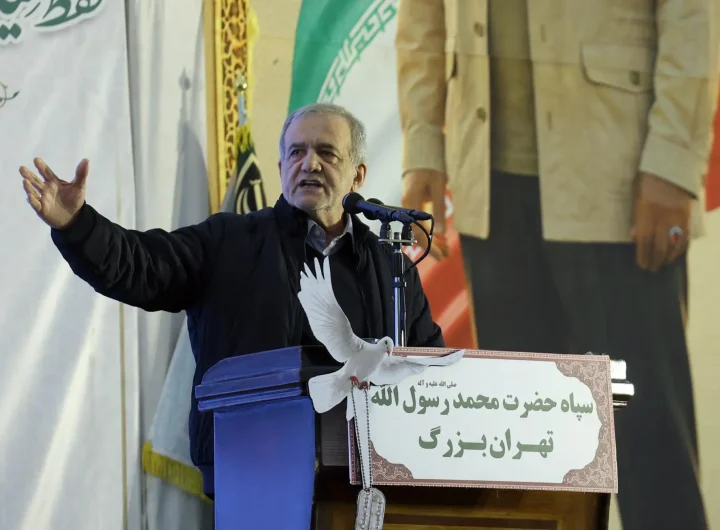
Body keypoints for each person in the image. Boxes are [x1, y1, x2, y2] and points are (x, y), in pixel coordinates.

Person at [396, 1, 718, 529]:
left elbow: (689, 13)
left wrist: (673, 162)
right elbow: (421, 15)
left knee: (650, 452)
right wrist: (423, 142)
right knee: (526, 463)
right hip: (491, 194)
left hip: (617, 184)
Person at [19, 102, 444, 495]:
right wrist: (78, 225)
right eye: (296, 153)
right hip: (250, 468)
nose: (309, 164)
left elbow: (431, 372)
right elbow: (139, 266)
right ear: (281, 168)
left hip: (364, 480)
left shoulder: (391, 269)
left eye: (327, 153)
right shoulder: (229, 242)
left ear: (358, 175)